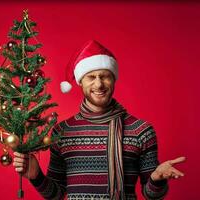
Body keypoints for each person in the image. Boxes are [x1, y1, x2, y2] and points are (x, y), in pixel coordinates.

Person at [13, 40, 185, 200]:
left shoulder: (141, 131)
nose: (99, 84)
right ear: (80, 81)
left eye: (104, 76)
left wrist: (157, 179)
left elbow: (151, 195)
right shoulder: (62, 132)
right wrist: (36, 177)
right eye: (91, 77)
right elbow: (56, 194)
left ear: (114, 79)